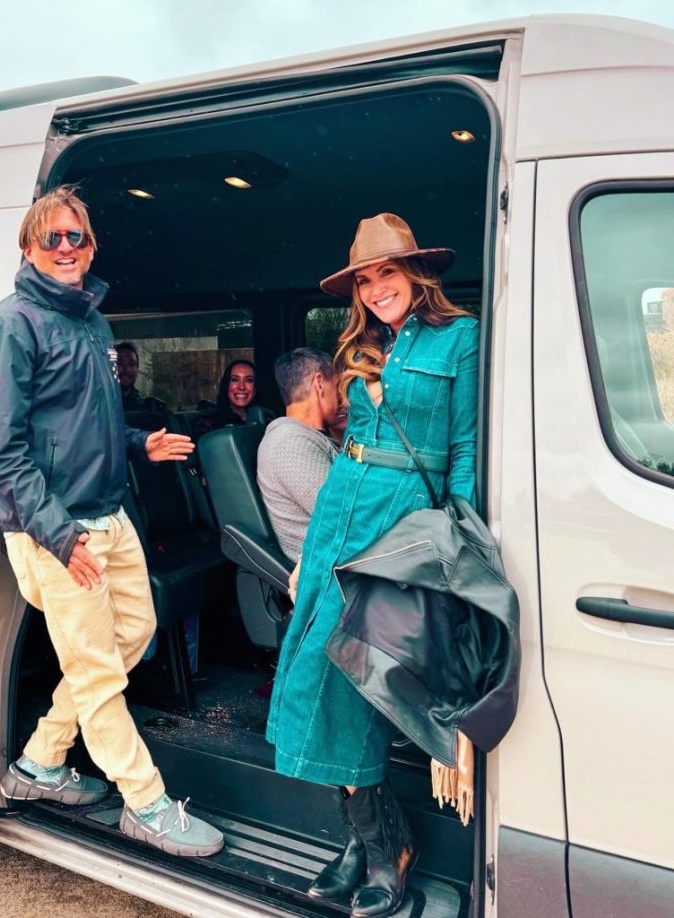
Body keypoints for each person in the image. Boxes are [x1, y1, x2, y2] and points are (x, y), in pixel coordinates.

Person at [0, 185, 223, 858]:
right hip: (56, 530)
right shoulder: (12, 325)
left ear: (91, 247)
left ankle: (40, 760)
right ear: (29, 248)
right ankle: (147, 804)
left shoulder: (92, 324)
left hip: (111, 514)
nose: (65, 247)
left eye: (76, 236)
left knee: (132, 636)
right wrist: (59, 534)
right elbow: (5, 452)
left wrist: (141, 445)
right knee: (98, 671)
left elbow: (90, 422)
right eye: (51, 237)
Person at [266, 213, 479, 917]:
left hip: (401, 525)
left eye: (387, 273)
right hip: (339, 515)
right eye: (365, 280)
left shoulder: (460, 338)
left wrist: (457, 540)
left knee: (358, 680)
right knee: (318, 674)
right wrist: (311, 550)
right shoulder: (358, 347)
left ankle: (385, 847)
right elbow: (350, 442)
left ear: (416, 274)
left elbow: (464, 452)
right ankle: (368, 840)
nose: (377, 288)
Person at [257, 348, 340, 563]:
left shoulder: (309, 436)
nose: (342, 397)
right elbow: (343, 514)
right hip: (333, 568)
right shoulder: (290, 443)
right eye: (337, 386)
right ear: (319, 383)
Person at [115, 341, 145, 411]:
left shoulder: (144, 408)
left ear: (137, 369)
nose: (127, 369)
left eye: (132, 364)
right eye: (120, 363)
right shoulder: (99, 405)